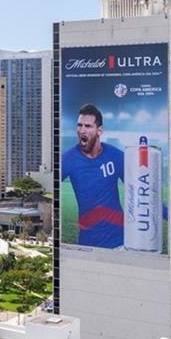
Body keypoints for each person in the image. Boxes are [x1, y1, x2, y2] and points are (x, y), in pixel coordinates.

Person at [61, 103, 124, 248]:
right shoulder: (68, 160)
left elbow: (142, 189)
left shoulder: (115, 156)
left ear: (99, 131)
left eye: (88, 126)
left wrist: (170, 215)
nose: (82, 130)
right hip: (88, 245)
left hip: (120, 242)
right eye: (79, 125)